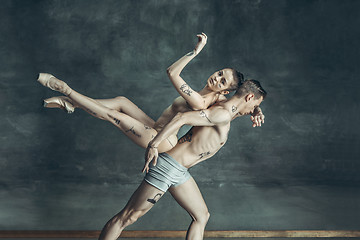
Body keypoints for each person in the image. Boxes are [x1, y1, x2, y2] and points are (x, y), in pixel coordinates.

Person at [37, 33, 264, 153]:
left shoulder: (199, 100)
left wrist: (194, 53)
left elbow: (172, 72)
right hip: (157, 126)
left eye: (222, 80)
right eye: (219, 72)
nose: (216, 77)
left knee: (112, 116)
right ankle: (72, 103)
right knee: (121, 102)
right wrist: (255, 110)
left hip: (161, 139)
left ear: (224, 89)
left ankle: (65, 89)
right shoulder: (219, 98)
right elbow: (241, 102)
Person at [98, 79, 267, 240]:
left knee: (202, 216)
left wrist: (256, 110)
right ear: (250, 97)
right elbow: (181, 118)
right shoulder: (222, 113)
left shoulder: (223, 104)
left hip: (179, 171)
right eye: (257, 104)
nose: (255, 108)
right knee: (127, 217)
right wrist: (154, 145)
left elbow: (237, 110)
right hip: (167, 168)